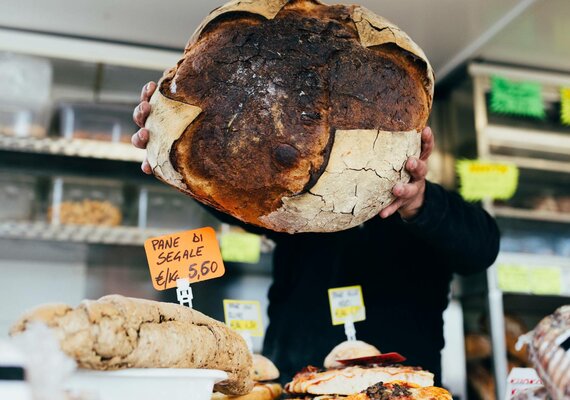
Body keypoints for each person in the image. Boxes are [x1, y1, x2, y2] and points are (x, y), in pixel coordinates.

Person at [132, 81, 500, 386]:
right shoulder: (300, 194)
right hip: (295, 382)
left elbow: (482, 247)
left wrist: (420, 202)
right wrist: (173, 154)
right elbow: (238, 201)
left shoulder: (428, 206)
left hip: (398, 388)